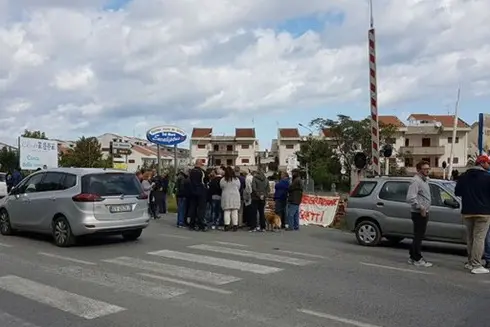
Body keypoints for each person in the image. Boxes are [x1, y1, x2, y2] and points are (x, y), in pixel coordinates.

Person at [455, 155, 490, 274]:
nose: (488, 165)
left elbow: (457, 192)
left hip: (467, 211)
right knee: (479, 238)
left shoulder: (464, 177)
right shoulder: (488, 177)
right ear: (482, 163)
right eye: (487, 163)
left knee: (470, 238)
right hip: (484, 212)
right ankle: (476, 264)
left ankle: (470, 262)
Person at [406, 160, 432, 268]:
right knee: (418, 236)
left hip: (424, 211)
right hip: (418, 213)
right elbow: (410, 197)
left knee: (418, 235)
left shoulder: (425, 180)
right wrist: (420, 207)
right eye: (425, 169)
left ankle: (412, 256)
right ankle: (417, 258)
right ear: (419, 170)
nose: (427, 171)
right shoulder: (416, 181)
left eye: (428, 169)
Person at [219, 167, 241, 231]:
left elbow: (221, 186)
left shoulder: (223, 179)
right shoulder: (236, 179)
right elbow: (239, 186)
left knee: (227, 211)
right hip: (235, 195)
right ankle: (235, 225)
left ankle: (226, 225)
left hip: (226, 195)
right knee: (234, 211)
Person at [188, 160, 207, 231]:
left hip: (192, 191)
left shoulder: (191, 171)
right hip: (201, 191)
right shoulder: (202, 172)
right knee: (201, 209)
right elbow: (204, 181)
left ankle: (192, 224)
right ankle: (200, 224)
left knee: (193, 208)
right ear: (200, 164)